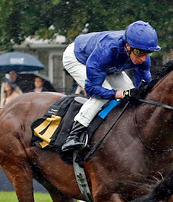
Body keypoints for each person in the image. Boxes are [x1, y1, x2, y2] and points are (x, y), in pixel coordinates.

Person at [61, 20, 159, 151]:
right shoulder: (106, 50)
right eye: (139, 52)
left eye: (147, 53)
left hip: (108, 64)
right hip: (78, 58)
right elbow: (92, 89)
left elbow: (144, 88)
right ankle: (73, 135)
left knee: (132, 93)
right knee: (104, 94)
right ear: (127, 46)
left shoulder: (142, 57)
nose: (142, 58)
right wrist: (120, 94)